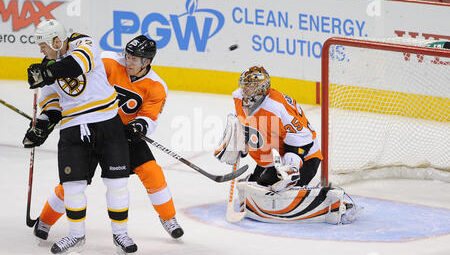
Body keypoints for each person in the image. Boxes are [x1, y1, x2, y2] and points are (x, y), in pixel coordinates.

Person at [32, 35, 184, 244]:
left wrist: (140, 126)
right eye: (127, 56)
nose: (128, 61)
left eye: (134, 59)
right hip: (95, 128)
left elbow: (150, 116)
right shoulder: (108, 61)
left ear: (147, 62)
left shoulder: (157, 85)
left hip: (126, 136)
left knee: (152, 172)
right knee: (75, 181)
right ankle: (45, 221)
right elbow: (77, 76)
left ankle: (169, 219)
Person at [24, 19, 136, 255]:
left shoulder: (84, 43)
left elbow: (78, 64)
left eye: (43, 44)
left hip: (107, 123)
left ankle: (121, 234)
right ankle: (75, 235)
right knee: (72, 186)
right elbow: (51, 103)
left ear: (57, 40)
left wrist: (47, 72)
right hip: (73, 128)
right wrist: (42, 127)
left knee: (117, 184)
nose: (41, 50)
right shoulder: (49, 64)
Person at [214, 66, 360, 224]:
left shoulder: (277, 107)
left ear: (261, 89)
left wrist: (290, 169)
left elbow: (303, 136)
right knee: (258, 188)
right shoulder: (239, 97)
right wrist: (236, 142)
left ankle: (338, 203)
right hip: (271, 158)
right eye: (243, 85)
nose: (244, 90)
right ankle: (268, 179)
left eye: (248, 87)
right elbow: (242, 122)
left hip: (306, 156)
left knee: (282, 191)